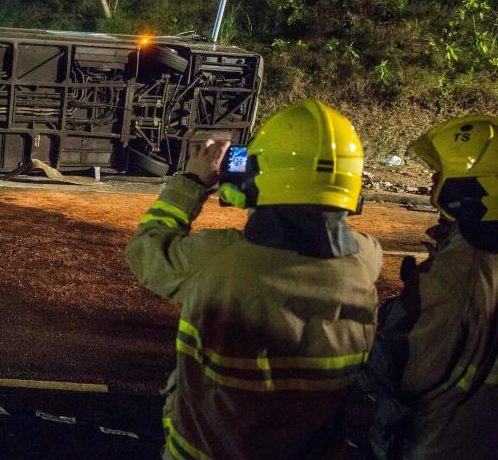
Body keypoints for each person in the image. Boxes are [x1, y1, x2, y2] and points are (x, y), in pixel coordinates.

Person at [126, 99, 382, 460]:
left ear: (264, 174)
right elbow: (320, 228)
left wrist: (193, 182)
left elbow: (146, 250)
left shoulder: (219, 259)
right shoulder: (366, 259)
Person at [358, 115, 498, 459]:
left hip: (437, 443)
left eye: (440, 174)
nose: (433, 180)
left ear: (471, 186)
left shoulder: (463, 268)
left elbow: (401, 369)